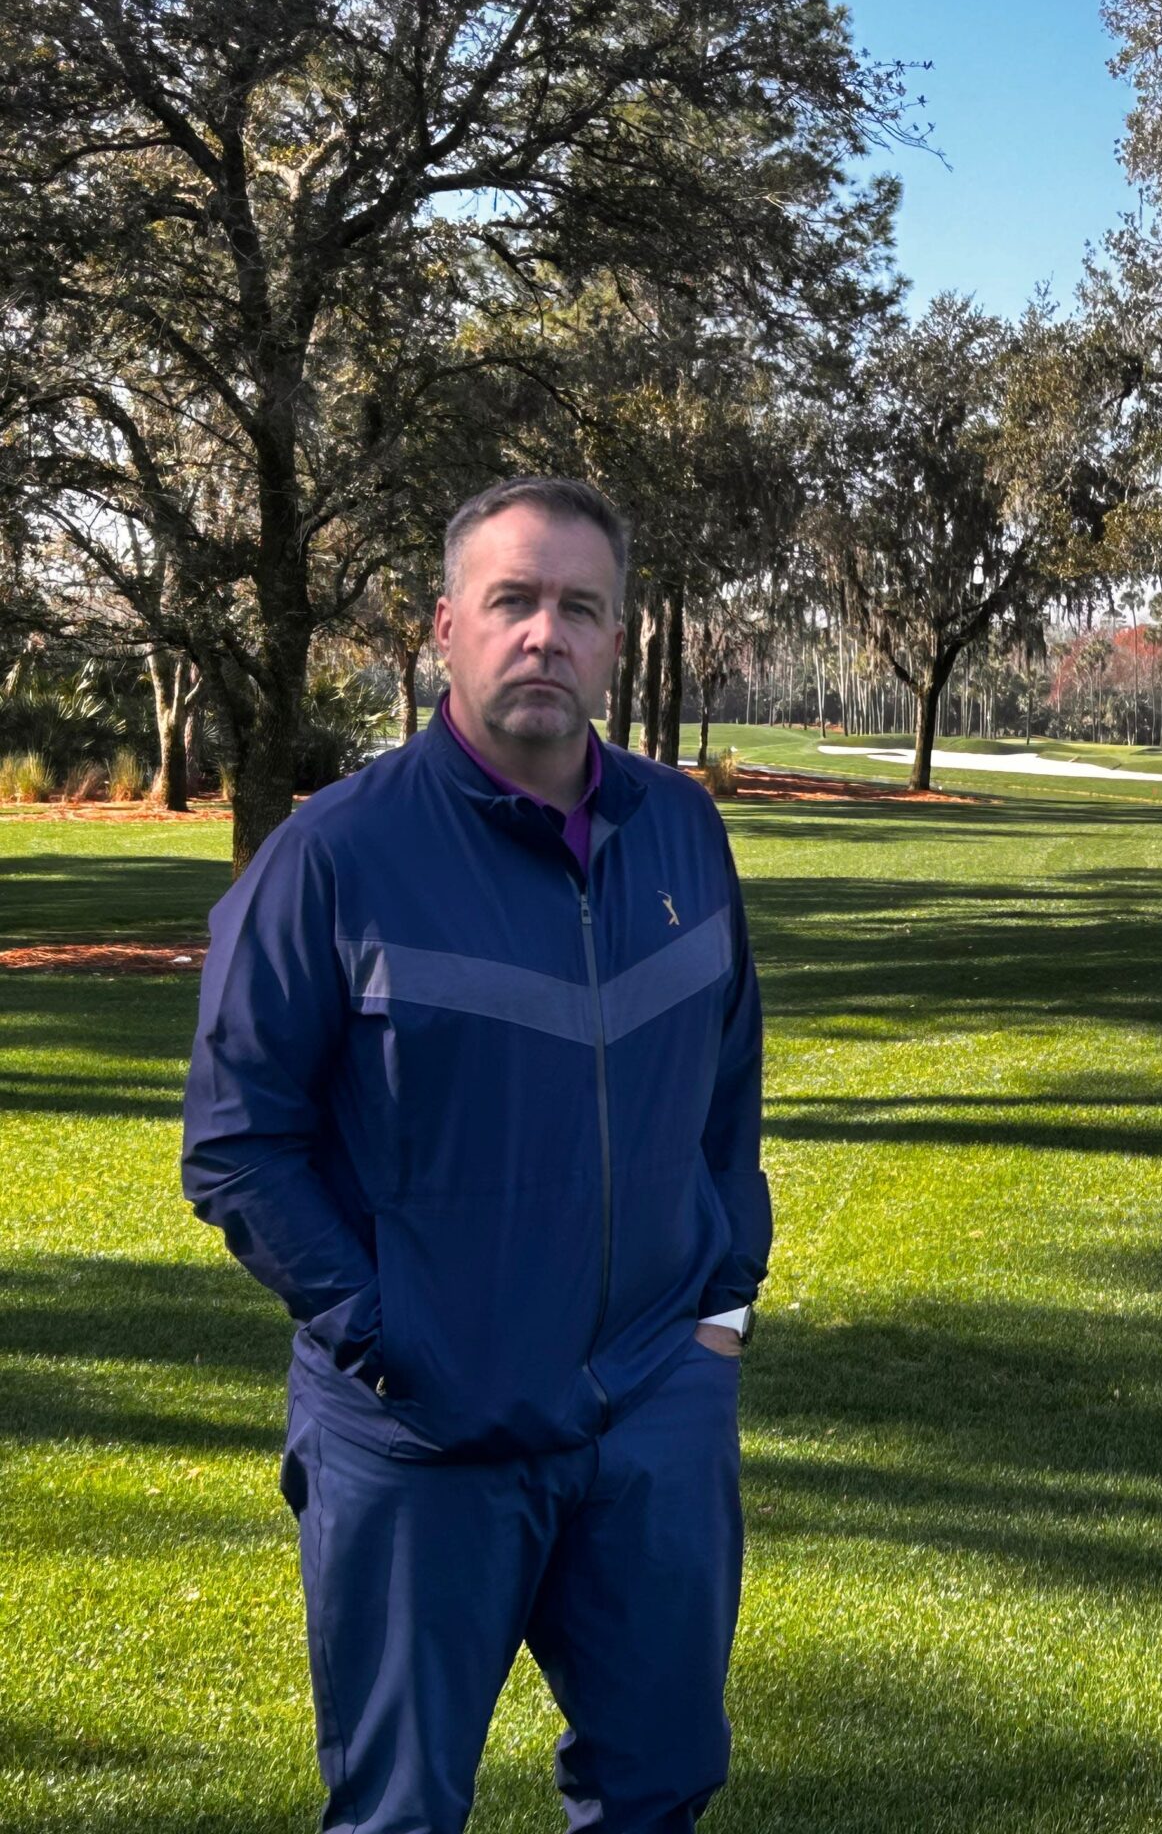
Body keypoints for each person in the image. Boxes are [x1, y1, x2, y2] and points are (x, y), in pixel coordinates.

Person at [181, 475, 770, 1834]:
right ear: (445, 627)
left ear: (620, 640)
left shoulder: (681, 831)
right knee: (400, 1812)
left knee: (664, 1779)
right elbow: (239, 1143)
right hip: (421, 1424)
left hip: (654, 1410)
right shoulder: (333, 857)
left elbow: (725, 1089)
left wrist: (721, 1312)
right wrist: (389, 1338)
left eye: (580, 607)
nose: (544, 635)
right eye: (512, 601)